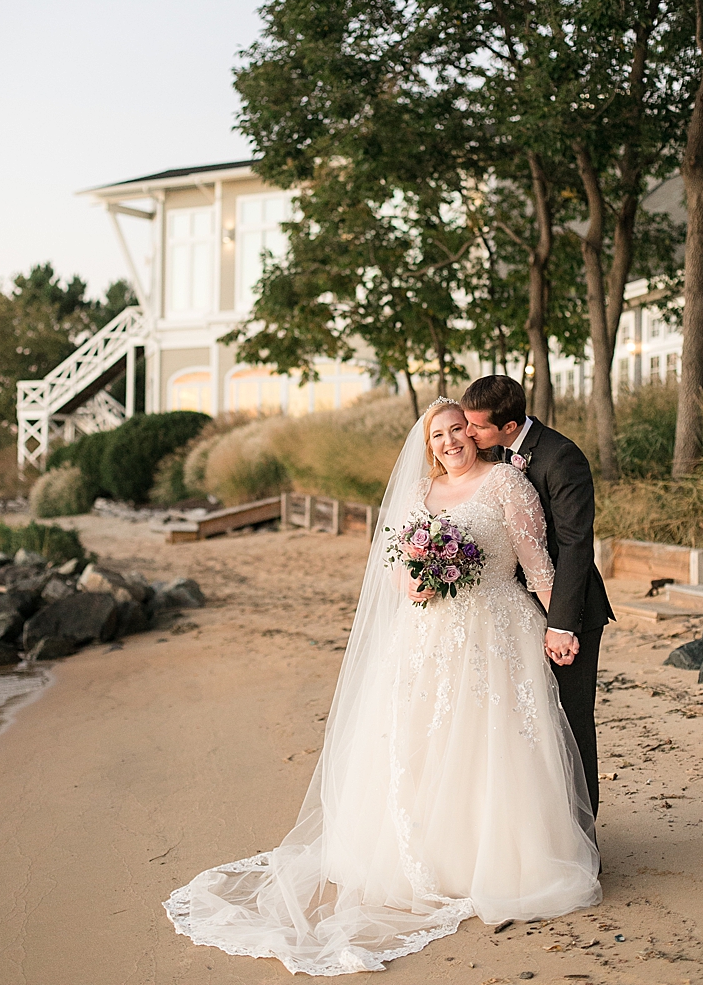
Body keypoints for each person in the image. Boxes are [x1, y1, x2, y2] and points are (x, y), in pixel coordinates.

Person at [164, 399, 601, 975]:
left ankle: (503, 859)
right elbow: (395, 566)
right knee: (421, 743)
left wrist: (559, 628)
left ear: (475, 434)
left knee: (496, 743)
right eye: (438, 435)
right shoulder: (419, 495)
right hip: (427, 636)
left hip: (496, 629)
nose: (450, 442)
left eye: (458, 431)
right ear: (427, 446)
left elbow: (537, 564)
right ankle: (435, 858)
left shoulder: (506, 484)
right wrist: (417, 581)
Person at [460, 375, 615, 816]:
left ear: (509, 426)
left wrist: (561, 623)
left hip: (569, 612)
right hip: (510, 611)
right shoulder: (491, 454)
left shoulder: (561, 457)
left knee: (571, 723)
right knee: (528, 725)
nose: (469, 434)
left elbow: (575, 544)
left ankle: (586, 839)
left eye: (477, 427)